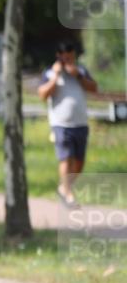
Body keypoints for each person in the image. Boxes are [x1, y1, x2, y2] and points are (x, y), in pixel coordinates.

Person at [38, 40, 98, 207]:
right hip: (60, 124)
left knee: (79, 162)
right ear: (59, 57)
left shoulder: (81, 71)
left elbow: (94, 88)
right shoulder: (50, 73)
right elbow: (42, 94)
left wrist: (77, 75)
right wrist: (56, 76)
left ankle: (64, 188)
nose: (68, 62)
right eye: (65, 59)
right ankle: (69, 195)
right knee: (66, 158)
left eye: (71, 58)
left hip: (80, 123)